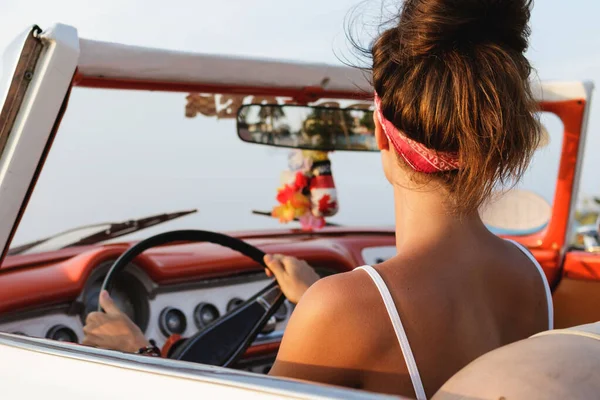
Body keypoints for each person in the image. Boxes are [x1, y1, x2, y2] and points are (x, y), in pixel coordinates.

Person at [82, 0, 550, 398]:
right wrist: (314, 302)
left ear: (380, 134)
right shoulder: (529, 277)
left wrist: (141, 356)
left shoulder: (345, 309)